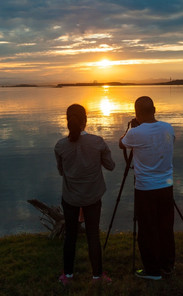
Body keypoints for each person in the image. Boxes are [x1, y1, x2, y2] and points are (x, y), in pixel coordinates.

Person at [54, 104, 115, 285]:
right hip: (92, 197)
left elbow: (61, 171)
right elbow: (110, 166)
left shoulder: (60, 146)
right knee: (93, 235)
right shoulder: (97, 142)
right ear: (85, 120)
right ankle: (97, 276)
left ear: (67, 121)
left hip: (70, 198)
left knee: (70, 236)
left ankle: (68, 276)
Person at [119, 96, 175, 280]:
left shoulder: (135, 133)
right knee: (166, 227)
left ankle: (152, 271)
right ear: (155, 109)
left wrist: (132, 128)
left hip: (145, 188)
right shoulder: (168, 127)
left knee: (147, 229)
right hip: (166, 186)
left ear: (136, 114)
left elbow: (122, 144)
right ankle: (167, 265)